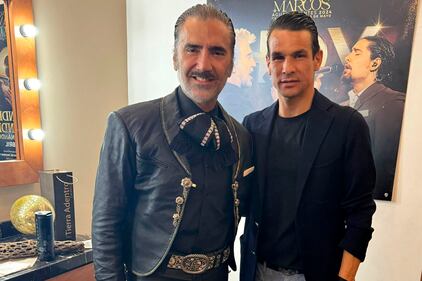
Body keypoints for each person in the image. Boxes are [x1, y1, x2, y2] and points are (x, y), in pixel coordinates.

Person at [92, 4, 254, 281]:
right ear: (175, 58)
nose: (204, 65)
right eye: (192, 49)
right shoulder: (129, 124)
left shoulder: (240, 137)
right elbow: (106, 223)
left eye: (217, 52)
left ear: (230, 65)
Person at [240, 12, 376, 281]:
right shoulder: (252, 126)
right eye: (278, 57)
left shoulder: (348, 125)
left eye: (298, 55)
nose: (287, 67)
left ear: (317, 59)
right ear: (268, 63)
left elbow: (360, 215)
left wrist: (344, 278)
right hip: (256, 271)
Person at [343, 36, 405, 200]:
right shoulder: (340, 105)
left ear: (375, 64)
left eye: (356, 53)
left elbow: (384, 163)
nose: (347, 57)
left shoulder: (392, 101)